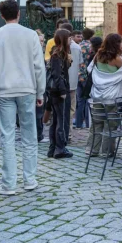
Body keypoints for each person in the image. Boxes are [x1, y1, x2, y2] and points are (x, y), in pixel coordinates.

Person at [0, 0, 46, 195]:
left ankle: (9, 184)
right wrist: (40, 91)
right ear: (19, 13)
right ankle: (30, 180)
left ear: (2, 15)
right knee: (29, 135)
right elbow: (39, 66)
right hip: (27, 89)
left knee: (7, 137)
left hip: (4, 91)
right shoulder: (31, 36)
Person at [85, 34, 122, 157]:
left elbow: (90, 69)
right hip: (112, 96)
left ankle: (92, 149)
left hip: (97, 94)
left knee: (97, 123)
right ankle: (107, 151)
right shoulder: (116, 58)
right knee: (110, 124)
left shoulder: (98, 55)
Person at [47, 29, 73, 159]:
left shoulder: (61, 54)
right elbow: (57, 76)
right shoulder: (57, 55)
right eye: (69, 38)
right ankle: (59, 148)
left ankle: (53, 148)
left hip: (56, 91)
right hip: (58, 92)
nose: (71, 40)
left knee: (56, 120)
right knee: (60, 121)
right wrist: (63, 91)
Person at [60, 23, 83, 142]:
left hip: (60, 83)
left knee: (59, 109)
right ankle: (67, 134)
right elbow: (80, 64)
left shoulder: (57, 46)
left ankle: (61, 133)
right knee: (70, 109)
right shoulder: (77, 47)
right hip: (72, 82)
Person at [77, 28, 95, 129]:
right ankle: (88, 124)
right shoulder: (90, 47)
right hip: (86, 76)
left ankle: (79, 123)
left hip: (77, 75)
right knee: (88, 101)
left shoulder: (78, 45)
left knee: (80, 101)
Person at [35, 29, 48, 144]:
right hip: (35, 87)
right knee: (37, 113)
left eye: (43, 41)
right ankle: (38, 135)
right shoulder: (35, 53)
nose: (41, 43)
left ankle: (39, 134)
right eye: (39, 41)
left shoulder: (43, 52)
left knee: (39, 112)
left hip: (41, 86)